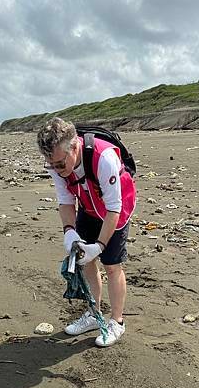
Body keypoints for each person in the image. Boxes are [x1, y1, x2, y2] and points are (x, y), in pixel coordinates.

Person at [37, 117, 136, 347]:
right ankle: (94, 313)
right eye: (51, 165)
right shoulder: (56, 161)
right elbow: (65, 200)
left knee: (111, 266)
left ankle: (117, 322)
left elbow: (114, 208)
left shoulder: (104, 158)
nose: (57, 170)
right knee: (86, 261)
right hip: (88, 206)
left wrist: (99, 246)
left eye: (60, 164)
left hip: (116, 209)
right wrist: (69, 231)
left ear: (74, 146)